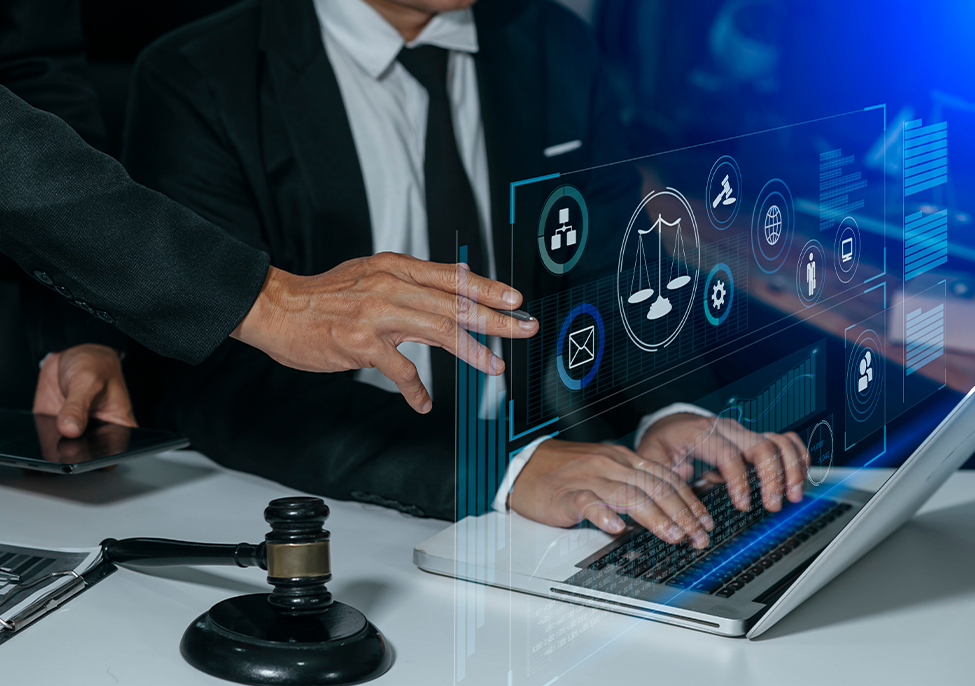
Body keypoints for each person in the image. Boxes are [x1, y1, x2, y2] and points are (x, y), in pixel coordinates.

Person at [123, 0, 808, 544]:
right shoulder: (198, 79)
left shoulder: (551, 44)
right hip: (305, 498)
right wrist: (498, 470)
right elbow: (216, 379)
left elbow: (613, 265)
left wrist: (673, 407)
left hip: (530, 499)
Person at [0, 0, 537, 439]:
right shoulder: (206, 75)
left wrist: (78, 330)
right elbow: (225, 387)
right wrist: (270, 302)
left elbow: (33, 81)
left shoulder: (554, 49)